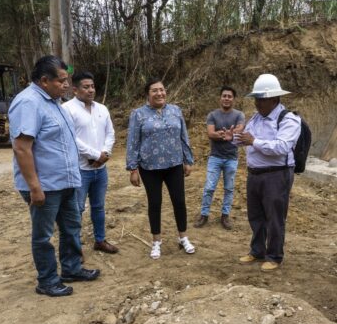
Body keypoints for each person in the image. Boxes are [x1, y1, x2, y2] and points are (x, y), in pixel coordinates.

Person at [8, 56, 100, 297]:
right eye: (62, 81)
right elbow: (21, 148)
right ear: (44, 80)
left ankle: (71, 268)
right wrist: (34, 187)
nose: (67, 85)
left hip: (67, 182)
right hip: (45, 186)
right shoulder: (28, 103)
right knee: (44, 236)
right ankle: (47, 280)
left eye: (67, 80)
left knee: (71, 227)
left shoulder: (54, 102)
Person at [226, 74, 301, 272]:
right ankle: (257, 250)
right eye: (257, 99)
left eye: (262, 99)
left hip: (277, 175)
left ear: (275, 99)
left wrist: (254, 141)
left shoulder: (289, 120)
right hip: (255, 174)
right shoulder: (256, 118)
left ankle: (274, 256)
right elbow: (245, 138)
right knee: (256, 215)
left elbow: (282, 147)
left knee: (275, 217)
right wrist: (232, 138)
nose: (258, 103)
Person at [126, 78, 195, 260]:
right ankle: (156, 241)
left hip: (174, 164)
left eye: (162, 90)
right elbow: (133, 142)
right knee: (155, 203)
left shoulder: (175, 110)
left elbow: (183, 136)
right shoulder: (138, 114)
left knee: (179, 202)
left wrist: (187, 160)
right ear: (148, 94)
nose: (159, 93)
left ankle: (183, 237)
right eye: (155, 90)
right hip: (149, 167)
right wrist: (133, 168)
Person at [63, 71, 118, 254]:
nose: (91, 90)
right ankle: (74, 249)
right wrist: (95, 154)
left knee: (99, 206)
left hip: (100, 169)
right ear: (75, 89)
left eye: (92, 86)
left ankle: (100, 240)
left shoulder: (102, 109)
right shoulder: (67, 109)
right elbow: (71, 138)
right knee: (76, 209)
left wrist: (105, 153)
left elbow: (110, 133)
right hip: (80, 169)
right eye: (86, 87)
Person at [194, 86, 245, 230]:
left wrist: (229, 133)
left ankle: (225, 216)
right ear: (220, 98)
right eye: (224, 96)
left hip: (232, 158)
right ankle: (204, 215)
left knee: (229, 188)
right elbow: (210, 133)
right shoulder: (212, 115)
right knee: (209, 187)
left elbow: (240, 129)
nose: (227, 98)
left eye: (229, 96)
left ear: (233, 99)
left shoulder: (239, 115)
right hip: (215, 157)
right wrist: (226, 135)